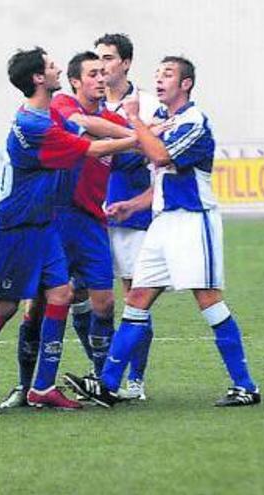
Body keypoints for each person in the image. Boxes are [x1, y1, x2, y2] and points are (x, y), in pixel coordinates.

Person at [65, 56, 261, 408]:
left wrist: (134, 118)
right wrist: (134, 204)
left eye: (168, 74)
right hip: (163, 221)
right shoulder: (162, 121)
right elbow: (160, 178)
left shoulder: (193, 121)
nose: (159, 79)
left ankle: (245, 385)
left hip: (192, 220)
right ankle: (109, 383)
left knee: (208, 300)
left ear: (185, 84)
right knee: (138, 299)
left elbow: (160, 157)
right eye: (157, 74)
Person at [0, 47, 136, 410]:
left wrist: (133, 132)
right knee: (11, 306)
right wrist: (140, 136)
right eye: (93, 73)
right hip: (25, 224)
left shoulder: (53, 116)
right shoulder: (45, 117)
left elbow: (91, 130)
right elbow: (92, 145)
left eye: (104, 71)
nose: (101, 78)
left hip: (66, 221)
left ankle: (58, 385)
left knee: (72, 297)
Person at [95, 33, 161, 400]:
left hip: (133, 213)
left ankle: (135, 379)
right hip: (90, 213)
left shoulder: (146, 105)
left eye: (109, 58)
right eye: (98, 58)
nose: (102, 65)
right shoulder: (87, 102)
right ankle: (100, 370)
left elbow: (155, 151)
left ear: (126, 63)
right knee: (83, 294)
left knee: (135, 294)